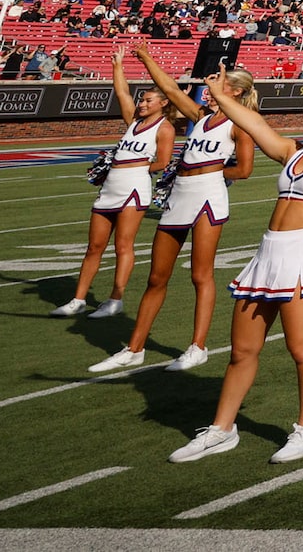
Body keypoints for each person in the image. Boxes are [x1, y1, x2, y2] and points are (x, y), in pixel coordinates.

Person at [163, 61, 303, 465]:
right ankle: (222, 429)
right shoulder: (293, 151)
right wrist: (219, 95)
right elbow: (253, 124)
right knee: (242, 348)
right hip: (269, 252)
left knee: (302, 348)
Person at [91, 57, 254, 373]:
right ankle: (134, 348)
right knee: (156, 277)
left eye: (217, 84)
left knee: (200, 274)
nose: (208, 89)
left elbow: (245, 169)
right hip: (179, 196)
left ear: (234, 91)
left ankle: (198, 347)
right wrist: (144, 55)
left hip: (209, 198)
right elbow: (168, 86)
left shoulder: (242, 123)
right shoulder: (200, 115)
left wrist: (211, 172)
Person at [59, 47, 169, 320]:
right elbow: (121, 93)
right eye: (142, 100)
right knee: (94, 246)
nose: (142, 104)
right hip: (111, 186)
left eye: (148, 100)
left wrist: (137, 167)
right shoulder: (133, 121)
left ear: (163, 103)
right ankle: (78, 299)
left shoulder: (163, 128)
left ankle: (115, 299)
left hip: (134, 188)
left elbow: (163, 163)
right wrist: (118, 64)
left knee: (123, 246)